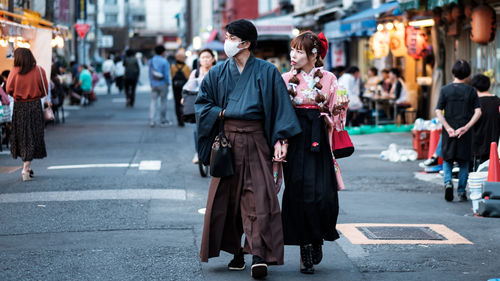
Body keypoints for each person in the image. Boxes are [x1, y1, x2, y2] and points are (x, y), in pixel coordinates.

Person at [196, 19, 302, 279]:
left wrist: (281, 140)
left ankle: (258, 254)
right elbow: (202, 105)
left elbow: (280, 109)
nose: (227, 41)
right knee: (227, 200)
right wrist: (221, 112)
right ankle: (235, 251)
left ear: (245, 43)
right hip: (227, 141)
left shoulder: (267, 71)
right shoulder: (218, 72)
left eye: (231, 37)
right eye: (227, 36)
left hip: (256, 140)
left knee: (259, 198)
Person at [281, 31, 347, 274]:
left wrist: (337, 111)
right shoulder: (285, 77)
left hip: (319, 135)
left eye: (299, 51)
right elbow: (280, 111)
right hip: (295, 137)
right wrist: (280, 141)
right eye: (292, 50)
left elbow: (337, 111)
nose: (293, 55)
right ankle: (305, 248)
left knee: (324, 194)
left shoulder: (329, 78)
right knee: (298, 193)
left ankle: (318, 237)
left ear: (313, 54)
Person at [435, 60, 481, 202]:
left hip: (449, 130)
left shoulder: (445, 90)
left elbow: (438, 111)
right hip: (464, 131)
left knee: (448, 159)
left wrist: (448, 127)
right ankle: (461, 191)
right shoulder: (471, 91)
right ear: (467, 74)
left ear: (453, 72)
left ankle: (448, 182)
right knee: (464, 162)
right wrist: (466, 127)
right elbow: (478, 112)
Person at [6, 48, 48, 181]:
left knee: (23, 135)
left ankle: (27, 167)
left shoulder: (14, 71)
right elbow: (45, 89)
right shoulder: (39, 70)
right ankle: (26, 168)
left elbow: (8, 89)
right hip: (35, 105)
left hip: (19, 106)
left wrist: (19, 96)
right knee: (33, 135)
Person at [182, 48, 216, 164]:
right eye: (203, 58)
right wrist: (184, 98)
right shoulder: (195, 73)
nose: (205, 60)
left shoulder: (217, 71)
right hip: (199, 105)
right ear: (199, 60)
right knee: (196, 130)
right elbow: (189, 87)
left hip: (214, 104)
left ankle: (217, 151)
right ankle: (198, 152)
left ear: (213, 59)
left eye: (208, 57)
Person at [471, 74, 500, 167]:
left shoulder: (475, 103)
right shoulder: (497, 100)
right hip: (495, 143)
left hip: (476, 145)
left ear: (475, 88)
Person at [148, 45, 171, 127]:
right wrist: (167, 83)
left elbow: (150, 73)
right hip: (162, 83)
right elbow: (166, 74)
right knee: (163, 101)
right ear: (162, 52)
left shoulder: (151, 60)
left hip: (154, 84)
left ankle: (152, 120)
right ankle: (162, 120)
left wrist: (151, 82)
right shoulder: (164, 61)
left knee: (153, 102)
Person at [171, 49, 191, 126]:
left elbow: (172, 76)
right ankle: (183, 118)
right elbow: (189, 78)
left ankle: (178, 119)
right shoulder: (186, 67)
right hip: (184, 87)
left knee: (176, 103)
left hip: (175, 87)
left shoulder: (173, 67)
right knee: (183, 103)